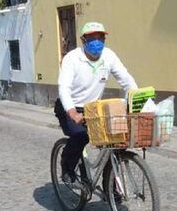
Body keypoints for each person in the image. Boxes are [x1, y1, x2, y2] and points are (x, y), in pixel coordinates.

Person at [55, 22, 138, 184]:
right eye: (92, 38)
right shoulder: (72, 58)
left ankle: (111, 187)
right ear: (82, 40)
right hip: (71, 106)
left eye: (100, 37)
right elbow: (64, 87)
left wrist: (139, 100)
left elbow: (126, 80)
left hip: (94, 108)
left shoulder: (109, 56)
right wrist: (72, 112)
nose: (97, 41)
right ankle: (67, 166)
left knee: (117, 140)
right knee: (80, 136)